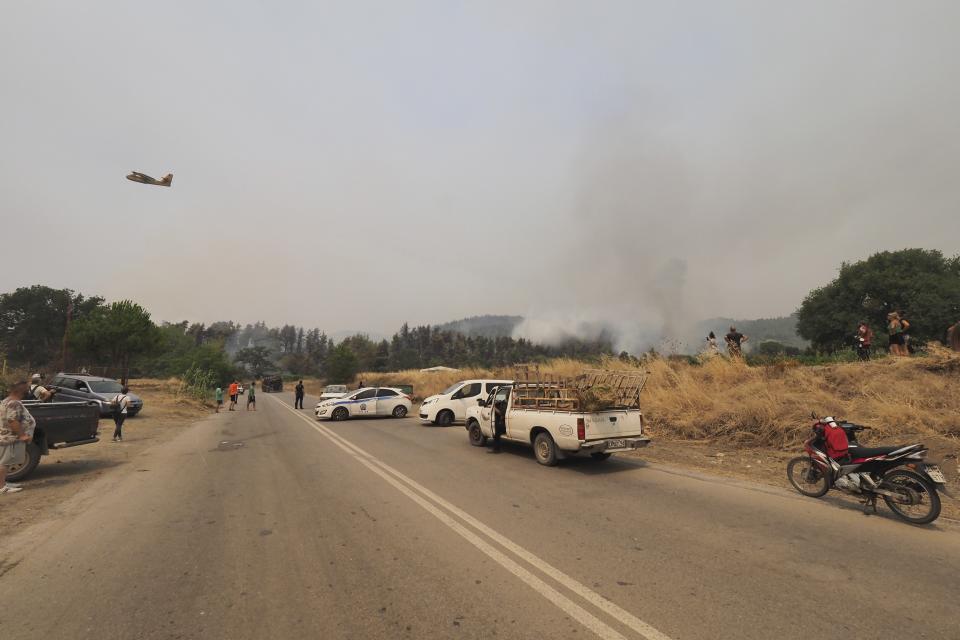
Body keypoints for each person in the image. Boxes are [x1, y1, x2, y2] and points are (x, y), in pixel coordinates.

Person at [1, 380, 36, 494]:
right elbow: (12, 420)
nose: (28, 389)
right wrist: (22, 435)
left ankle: (3, 483)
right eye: (26, 387)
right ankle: (2, 487)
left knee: (5, 462)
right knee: (4, 463)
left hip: (6, 437)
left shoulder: (7, 401)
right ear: (21, 390)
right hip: (9, 438)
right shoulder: (14, 403)